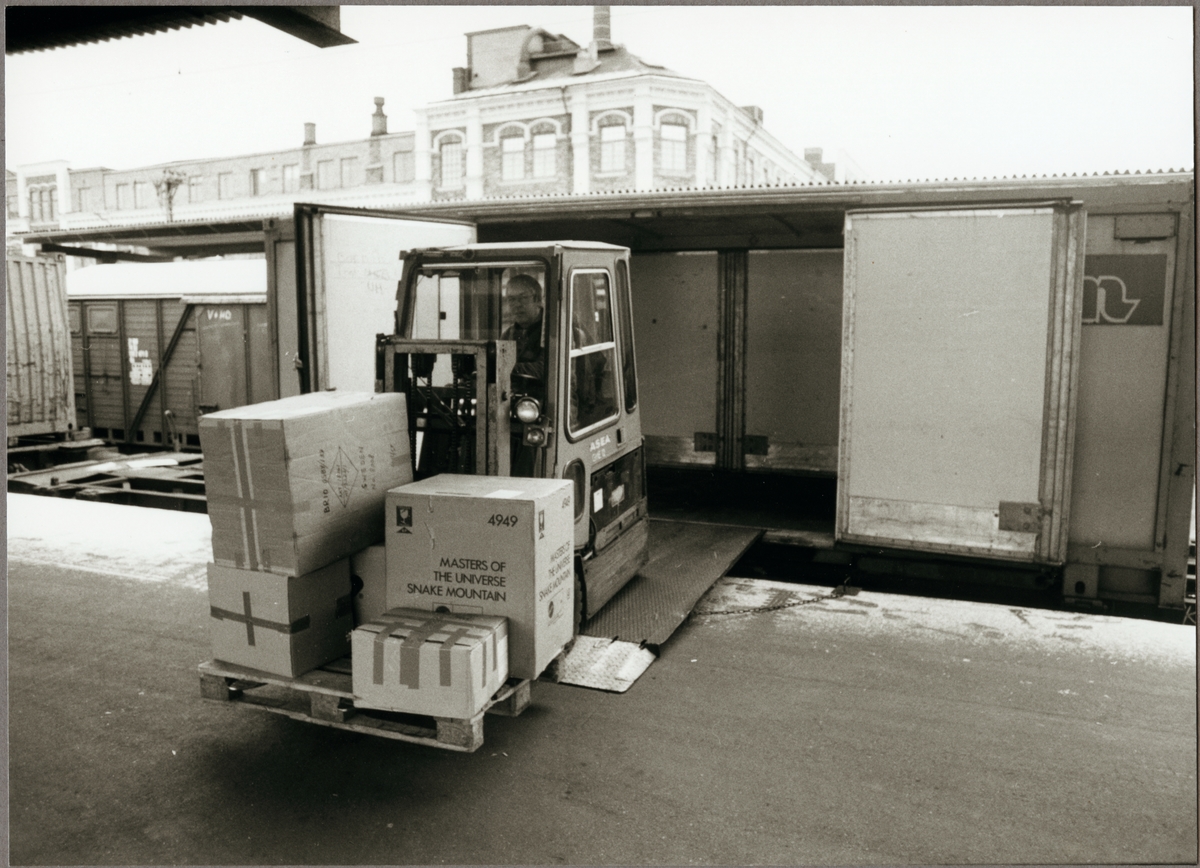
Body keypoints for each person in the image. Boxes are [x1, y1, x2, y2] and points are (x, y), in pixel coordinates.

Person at [502, 274, 545, 389]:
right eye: (511, 299)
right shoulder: (508, 335)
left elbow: (546, 369)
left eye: (523, 298)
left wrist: (500, 368)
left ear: (538, 300)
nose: (517, 304)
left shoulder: (553, 331)